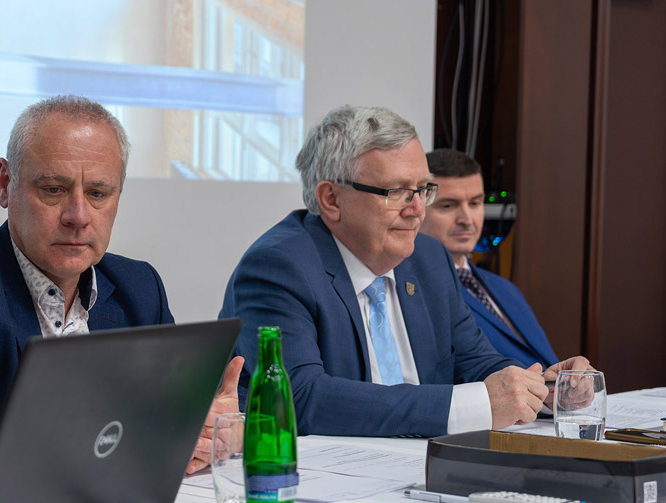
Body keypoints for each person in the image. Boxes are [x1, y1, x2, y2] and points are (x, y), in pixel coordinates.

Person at [0, 95, 243, 494]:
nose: (78, 217)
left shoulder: (139, 287)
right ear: (5, 183)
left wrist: (213, 430)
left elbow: (172, 415)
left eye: (98, 194)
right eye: (53, 189)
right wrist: (110, 446)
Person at [218, 105, 590, 437]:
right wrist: (466, 407)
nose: (416, 210)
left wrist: (541, 388)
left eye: (422, 189)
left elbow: (474, 361)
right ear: (331, 199)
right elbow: (298, 397)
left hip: (426, 463)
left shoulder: (429, 258)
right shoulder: (279, 267)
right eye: (396, 192)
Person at [421, 148, 558, 367]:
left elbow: (545, 363)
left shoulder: (506, 289)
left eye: (475, 203)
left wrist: (568, 376)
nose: (467, 219)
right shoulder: (414, 293)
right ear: (417, 209)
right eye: (448, 206)